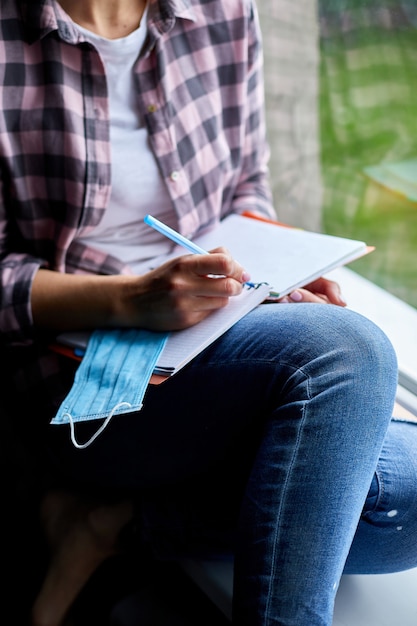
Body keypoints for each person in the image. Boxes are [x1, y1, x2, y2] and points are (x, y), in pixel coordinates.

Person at [1, 1, 417, 625]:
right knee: (349, 350)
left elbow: (247, 183)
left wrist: (282, 276)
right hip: (81, 382)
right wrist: (132, 299)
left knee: (403, 503)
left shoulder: (221, 10)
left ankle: (112, 525)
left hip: (220, 346)